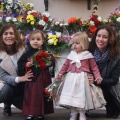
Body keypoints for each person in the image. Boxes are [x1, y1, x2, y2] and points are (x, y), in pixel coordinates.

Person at [57, 31, 106, 120]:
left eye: (77, 43)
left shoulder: (88, 55)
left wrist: (97, 77)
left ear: (84, 44)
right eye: (73, 43)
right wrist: (60, 73)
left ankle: (82, 114)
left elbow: (94, 68)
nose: (74, 45)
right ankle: (73, 113)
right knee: (72, 96)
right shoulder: (71, 55)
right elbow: (65, 65)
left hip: (83, 80)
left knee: (81, 97)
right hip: (71, 80)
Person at [17, 30, 55, 120]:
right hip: (33, 78)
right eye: (33, 39)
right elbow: (20, 63)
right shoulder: (27, 53)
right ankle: (31, 113)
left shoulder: (46, 52)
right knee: (32, 95)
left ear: (42, 41)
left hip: (44, 78)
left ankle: (41, 113)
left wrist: (48, 61)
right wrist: (26, 64)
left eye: (38, 39)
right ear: (29, 41)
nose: (35, 41)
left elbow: (52, 62)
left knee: (42, 95)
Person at [0, 24, 33, 116]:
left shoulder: (24, 49)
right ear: (1, 37)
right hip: (7, 85)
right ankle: (7, 105)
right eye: (5, 34)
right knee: (6, 90)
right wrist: (19, 79)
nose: (9, 36)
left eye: (11, 33)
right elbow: (3, 76)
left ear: (16, 35)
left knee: (30, 110)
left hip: (23, 85)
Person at [88, 24, 120, 118]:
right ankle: (80, 109)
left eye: (105, 37)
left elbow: (114, 80)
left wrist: (97, 80)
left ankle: (114, 107)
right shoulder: (90, 51)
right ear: (95, 37)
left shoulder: (116, 56)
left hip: (108, 88)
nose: (100, 39)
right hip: (91, 83)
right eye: (98, 36)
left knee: (111, 114)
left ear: (110, 39)